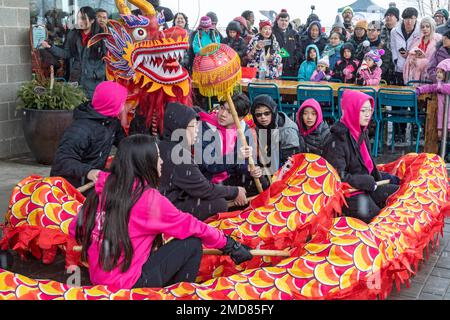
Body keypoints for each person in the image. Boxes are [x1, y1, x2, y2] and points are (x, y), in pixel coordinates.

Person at [72, 134, 253, 290]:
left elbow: (74, 229)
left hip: (100, 280)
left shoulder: (101, 190)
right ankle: (177, 294)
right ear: (144, 163)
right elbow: (192, 226)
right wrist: (230, 245)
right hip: (129, 286)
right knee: (191, 243)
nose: (161, 161)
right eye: (157, 157)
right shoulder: (146, 199)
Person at [159, 103, 247, 221]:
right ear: (179, 127)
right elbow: (202, 187)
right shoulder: (178, 154)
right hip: (166, 206)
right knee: (219, 204)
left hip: (169, 197)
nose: (196, 132)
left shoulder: (166, 145)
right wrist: (234, 191)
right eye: (193, 127)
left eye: (197, 127)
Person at [323, 90, 400, 224]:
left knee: (398, 194)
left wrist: (380, 178)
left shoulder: (361, 132)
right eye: (363, 110)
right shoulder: (337, 140)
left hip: (366, 185)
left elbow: (367, 164)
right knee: (378, 220)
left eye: (369, 110)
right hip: (348, 194)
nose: (367, 114)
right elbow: (337, 177)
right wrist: (364, 181)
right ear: (352, 110)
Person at [50, 81, 128, 188]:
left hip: (92, 182)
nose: (124, 107)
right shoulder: (79, 130)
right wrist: (89, 172)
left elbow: (125, 143)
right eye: (122, 103)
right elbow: (62, 161)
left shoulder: (111, 122)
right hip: (71, 188)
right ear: (110, 105)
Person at [197, 94, 268, 196]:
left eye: (230, 112)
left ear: (240, 118)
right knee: (223, 201)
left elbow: (242, 166)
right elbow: (210, 165)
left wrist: (250, 170)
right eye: (222, 108)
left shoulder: (244, 130)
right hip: (209, 179)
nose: (223, 114)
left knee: (262, 183)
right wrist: (236, 156)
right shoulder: (206, 127)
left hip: (231, 176)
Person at [40, 6, 106, 99]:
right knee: (76, 109)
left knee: (92, 110)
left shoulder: (101, 37)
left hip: (93, 84)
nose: (80, 21)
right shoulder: (73, 34)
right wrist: (50, 47)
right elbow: (66, 53)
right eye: (79, 18)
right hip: (75, 81)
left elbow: (108, 61)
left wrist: (96, 74)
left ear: (92, 20)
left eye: (83, 18)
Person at [251, 94, 302, 172]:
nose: (263, 117)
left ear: (273, 111)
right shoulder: (259, 127)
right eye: (258, 115)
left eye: (267, 113)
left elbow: (291, 162)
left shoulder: (287, 131)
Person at [417, 59, 450, 138]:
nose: (438, 74)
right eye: (437, 72)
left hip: (447, 117)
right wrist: (419, 90)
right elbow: (430, 87)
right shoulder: (440, 84)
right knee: (441, 136)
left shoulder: (441, 86)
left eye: (441, 72)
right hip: (442, 117)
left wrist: (438, 85)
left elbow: (445, 89)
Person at [403, 17, 442, 83]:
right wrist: (412, 58)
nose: (425, 29)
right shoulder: (416, 40)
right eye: (423, 27)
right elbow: (410, 56)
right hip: (414, 74)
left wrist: (422, 62)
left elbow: (439, 59)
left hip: (429, 75)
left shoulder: (438, 40)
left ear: (432, 27)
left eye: (427, 26)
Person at [390, 7, 421, 86]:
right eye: (406, 18)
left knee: (412, 92)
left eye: (412, 18)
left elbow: (421, 48)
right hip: (399, 68)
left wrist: (410, 54)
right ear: (403, 19)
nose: (409, 21)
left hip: (414, 68)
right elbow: (393, 47)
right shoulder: (394, 31)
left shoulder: (420, 31)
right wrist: (396, 61)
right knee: (399, 92)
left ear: (416, 19)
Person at [272, 10, 302, 77]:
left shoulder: (294, 33)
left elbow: (299, 48)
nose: (284, 23)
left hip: (291, 68)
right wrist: (285, 56)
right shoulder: (272, 33)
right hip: (276, 67)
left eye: (286, 21)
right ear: (277, 21)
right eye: (282, 20)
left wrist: (294, 59)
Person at [381, 6, 400, 84]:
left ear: (397, 18)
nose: (388, 17)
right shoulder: (380, 30)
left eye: (391, 15)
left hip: (397, 67)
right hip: (382, 67)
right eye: (387, 15)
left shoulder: (401, 31)